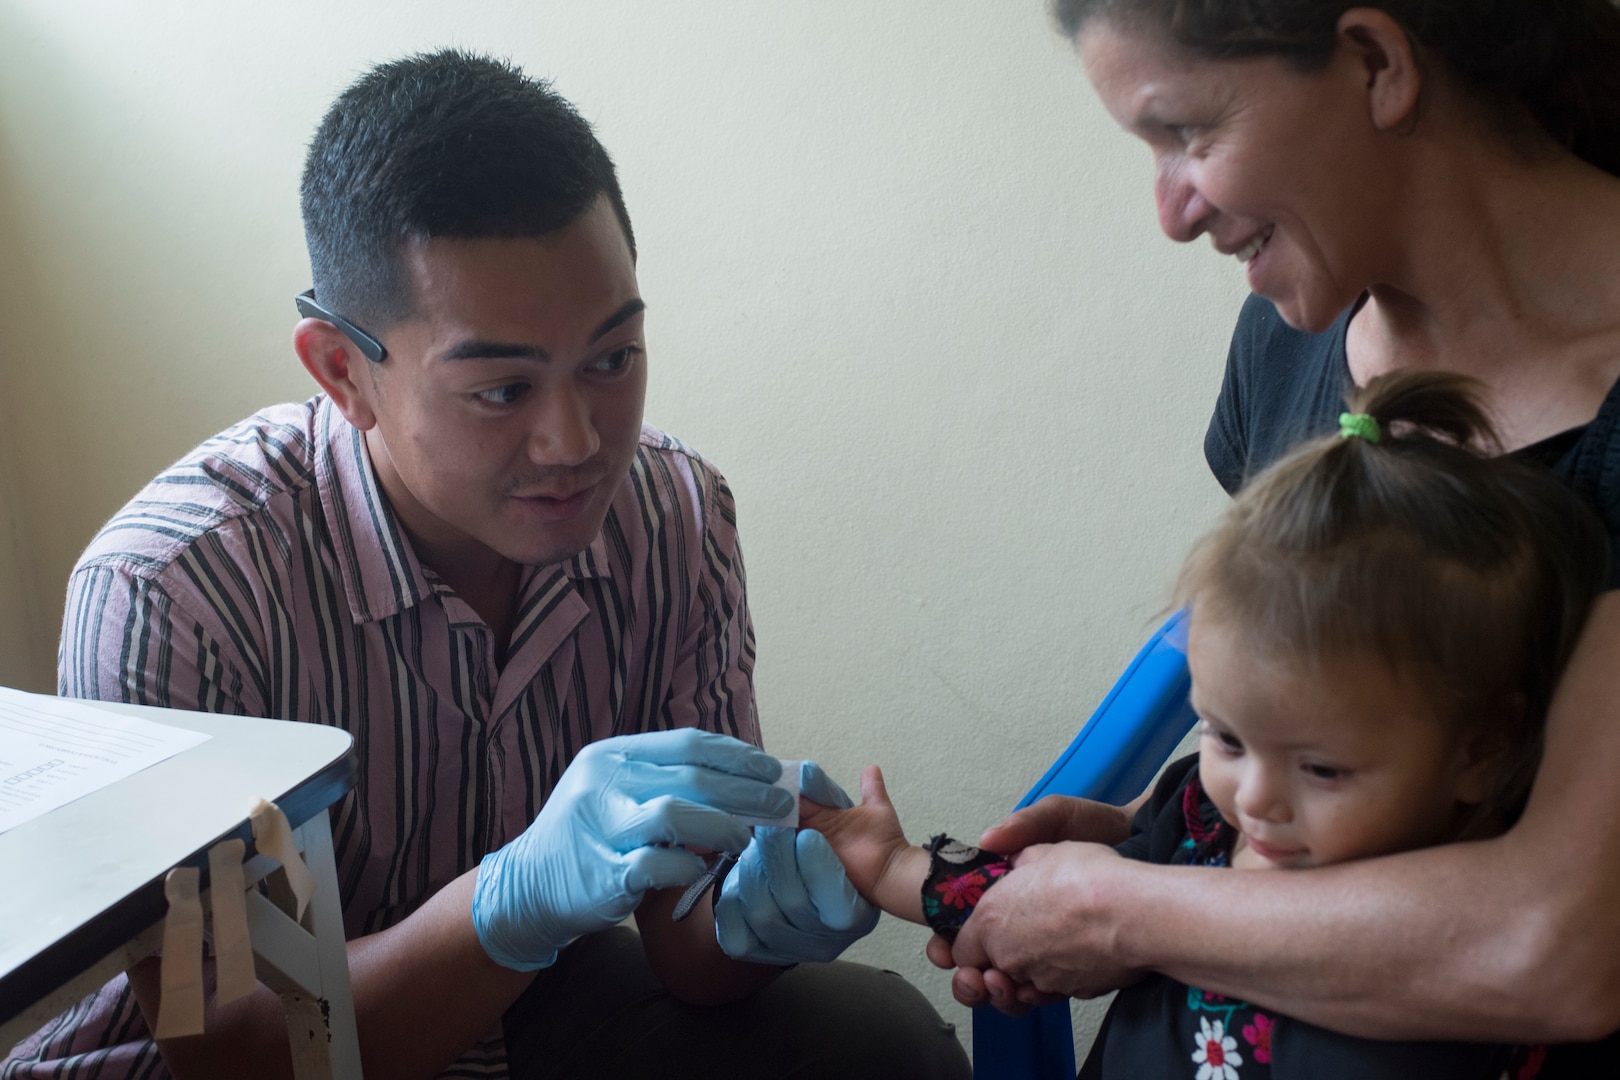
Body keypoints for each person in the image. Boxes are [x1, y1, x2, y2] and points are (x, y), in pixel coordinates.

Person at [7, 50, 970, 1080]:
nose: (575, 443)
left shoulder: (676, 514)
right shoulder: (176, 591)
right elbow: (232, 1050)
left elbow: (682, 951)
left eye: (612, 360)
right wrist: (506, 901)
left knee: (876, 1044)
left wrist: (750, 925)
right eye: (501, 390)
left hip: (532, 1021)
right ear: (345, 373)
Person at [937, 0, 1620, 1071]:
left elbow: (1562, 946)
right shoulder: (1290, 346)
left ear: (1373, 62)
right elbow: (1336, 707)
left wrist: (1130, 910)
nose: (1170, 209)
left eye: (1189, 133)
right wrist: (1178, 848)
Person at [805, 371, 1608, 1077]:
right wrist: (891, 864)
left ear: (1479, 750)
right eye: (1224, 737)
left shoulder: (1463, 919)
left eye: (1323, 769)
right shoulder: (1196, 816)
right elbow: (1013, 900)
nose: (1255, 798)